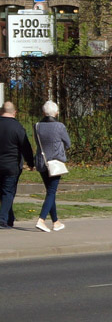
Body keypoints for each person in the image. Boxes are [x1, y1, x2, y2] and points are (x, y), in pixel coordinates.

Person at [33, 100, 70, 233]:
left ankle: (56, 222)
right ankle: (41, 220)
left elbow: (38, 143)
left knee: (50, 191)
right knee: (51, 192)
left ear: (43, 113)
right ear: (56, 113)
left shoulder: (37, 126)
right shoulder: (60, 126)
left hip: (41, 162)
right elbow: (68, 143)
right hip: (55, 163)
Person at [0, 101, 35, 230]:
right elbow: (26, 147)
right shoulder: (17, 127)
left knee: (3, 192)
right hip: (12, 165)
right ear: (14, 112)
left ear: (1, 111)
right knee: (8, 192)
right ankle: (2, 219)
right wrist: (30, 162)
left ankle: (10, 219)